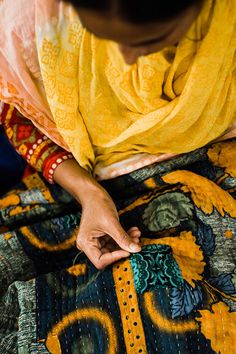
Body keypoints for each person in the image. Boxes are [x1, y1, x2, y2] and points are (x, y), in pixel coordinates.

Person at [0, 0, 235, 353]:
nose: (126, 60)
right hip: (84, 179)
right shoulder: (32, 19)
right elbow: (18, 116)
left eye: (153, 41)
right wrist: (89, 194)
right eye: (104, 38)